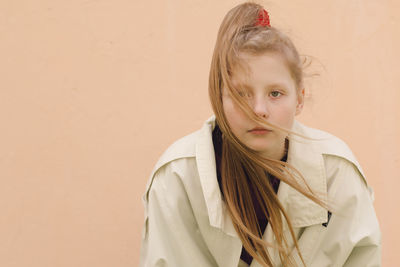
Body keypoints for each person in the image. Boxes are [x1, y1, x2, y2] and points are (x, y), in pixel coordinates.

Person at [139, 2, 381, 267]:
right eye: (240, 94)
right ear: (219, 98)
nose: (258, 110)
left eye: (275, 93)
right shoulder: (177, 178)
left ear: (299, 99)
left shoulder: (339, 175)